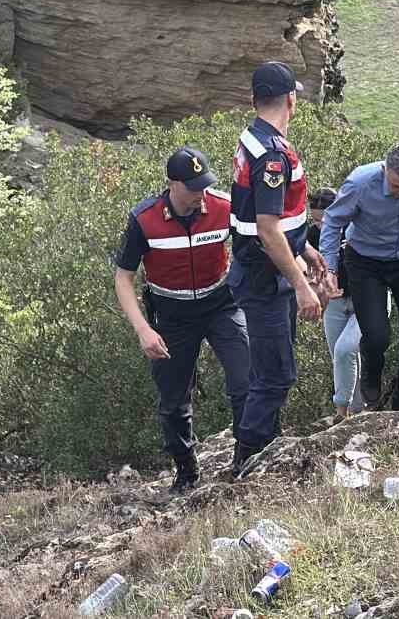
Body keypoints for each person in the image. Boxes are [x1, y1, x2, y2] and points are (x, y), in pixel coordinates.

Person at [113, 146, 247, 494]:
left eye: (204, 184)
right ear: (172, 184)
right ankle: (186, 472)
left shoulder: (224, 206)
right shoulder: (144, 219)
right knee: (173, 402)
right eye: (192, 187)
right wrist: (143, 329)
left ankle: (246, 459)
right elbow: (123, 276)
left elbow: (260, 240)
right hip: (171, 316)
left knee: (246, 378)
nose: (200, 193)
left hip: (221, 306)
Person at [228, 61, 328, 477]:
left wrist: (305, 249)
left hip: (266, 270)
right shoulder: (271, 154)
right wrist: (301, 285)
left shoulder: (253, 137)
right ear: (291, 101)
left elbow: (273, 220)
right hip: (265, 278)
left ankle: (264, 443)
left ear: (254, 100)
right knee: (277, 374)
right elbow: (267, 230)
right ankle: (248, 459)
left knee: (271, 369)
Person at [319, 142, 399, 410]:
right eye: (396, 186)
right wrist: (330, 269)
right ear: (384, 170)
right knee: (376, 336)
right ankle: (371, 373)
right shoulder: (360, 182)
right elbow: (333, 221)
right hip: (366, 263)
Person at [309, 187, 363, 420]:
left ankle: (341, 412)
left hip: (365, 300)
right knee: (341, 357)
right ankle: (359, 410)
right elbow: (306, 271)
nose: (321, 226)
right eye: (316, 221)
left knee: (346, 349)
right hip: (334, 304)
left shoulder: (359, 228)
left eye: (325, 220)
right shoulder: (310, 235)